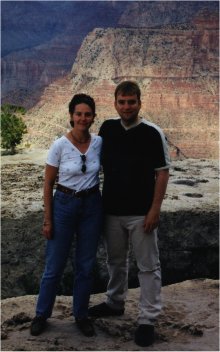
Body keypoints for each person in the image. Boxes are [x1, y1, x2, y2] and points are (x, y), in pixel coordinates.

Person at [88, 81, 170, 347]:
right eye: (122, 102)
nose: (126, 107)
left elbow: (162, 172)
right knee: (115, 260)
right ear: (115, 103)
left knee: (148, 266)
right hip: (111, 210)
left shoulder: (152, 133)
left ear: (139, 103)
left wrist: (154, 210)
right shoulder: (107, 129)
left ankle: (147, 318)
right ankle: (115, 302)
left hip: (141, 212)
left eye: (131, 102)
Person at [30, 94, 103, 337]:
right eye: (78, 114)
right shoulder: (59, 145)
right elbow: (48, 184)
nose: (83, 118)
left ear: (93, 117)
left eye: (87, 114)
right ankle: (41, 314)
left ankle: (81, 315)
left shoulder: (99, 142)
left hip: (92, 206)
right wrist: (48, 220)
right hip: (64, 205)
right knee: (54, 266)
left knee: (85, 266)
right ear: (71, 116)